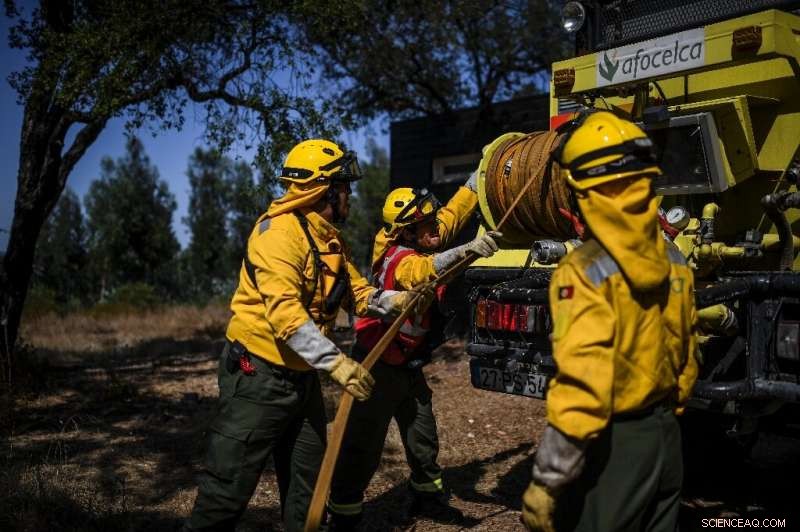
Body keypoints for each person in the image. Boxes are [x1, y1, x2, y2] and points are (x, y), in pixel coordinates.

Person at [185, 139, 417, 532]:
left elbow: (357, 293)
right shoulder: (277, 235)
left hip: (302, 376)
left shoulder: (328, 238)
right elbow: (287, 318)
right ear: (326, 190)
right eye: (345, 187)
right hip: (258, 377)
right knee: (227, 490)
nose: (350, 194)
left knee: (309, 484)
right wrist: (338, 364)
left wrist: (398, 300)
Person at [521, 111, 699, 532]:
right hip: (667, 439)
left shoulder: (584, 270)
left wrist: (547, 479)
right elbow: (687, 355)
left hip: (614, 449)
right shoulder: (674, 258)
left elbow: (586, 384)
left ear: (584, 189)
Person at [327, 175, 502, 529]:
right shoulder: (402, 259)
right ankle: (343, 514)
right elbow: (424, 271)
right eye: (424, 225)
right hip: (377, 364)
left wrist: (478, 175)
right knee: (363, 446)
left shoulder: (425, 237)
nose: (434, 227)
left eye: (431, 220)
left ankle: (427, 497)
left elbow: (453, 213)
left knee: (423, 437)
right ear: (406, 233)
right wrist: (468, 251)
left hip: (407, 365)